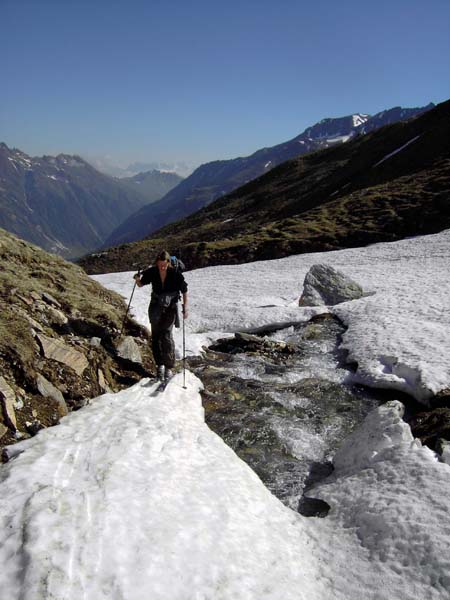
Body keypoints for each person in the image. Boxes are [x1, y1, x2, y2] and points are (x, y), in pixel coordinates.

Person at [133, 250, 188, 381]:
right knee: (156, 336)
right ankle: (160, 366)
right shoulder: (152, 272)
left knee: (167, 336)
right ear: (157, 263)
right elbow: (141, 284)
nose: (162, 267)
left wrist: (186, 308)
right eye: (160, 264)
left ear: (168, 262)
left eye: (164, 264)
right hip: (155, 307)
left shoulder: (175, 274)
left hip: (170, 308)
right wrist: (137, 280)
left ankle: (168, 368)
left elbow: (184, 290)